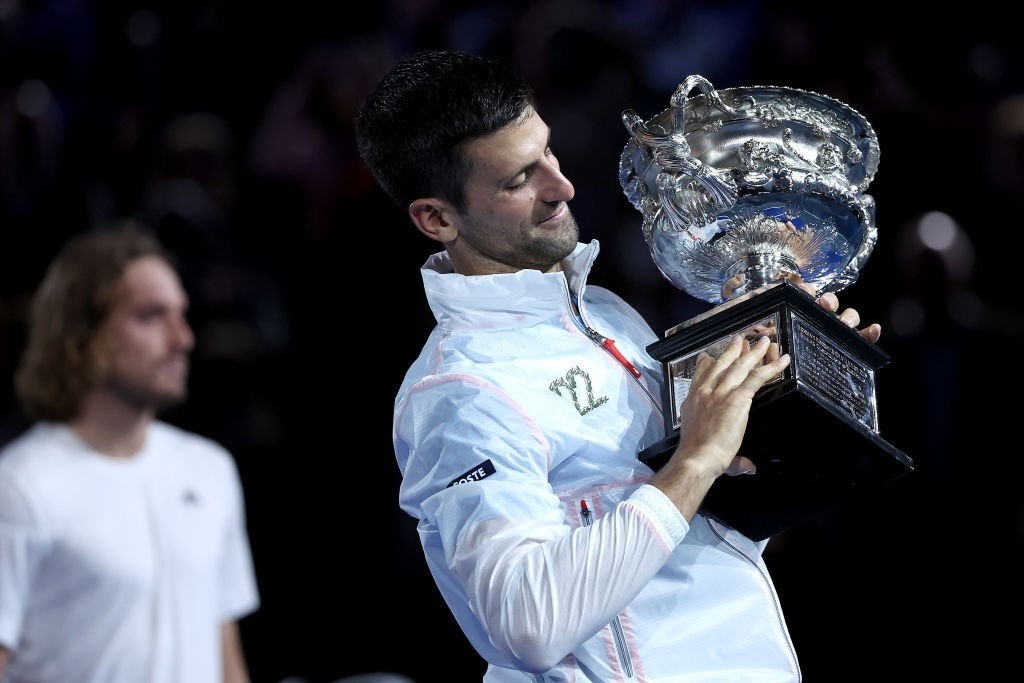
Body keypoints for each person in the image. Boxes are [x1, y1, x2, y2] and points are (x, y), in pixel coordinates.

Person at [356, 48, 881, 681]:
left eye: (547, 152)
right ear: (436, 218)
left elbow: (700, 535)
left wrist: (775, 388)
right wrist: (695, 459)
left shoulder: (606, 314)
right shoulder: (461, 390)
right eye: (519, 180)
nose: (561, 186)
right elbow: (528, 624)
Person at [0, 224, 260, 683]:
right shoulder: (20, 486)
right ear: (82, 333)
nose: (182, 338)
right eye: (151, 315)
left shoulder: (210, 469)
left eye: (182, 314)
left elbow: (225, 652)